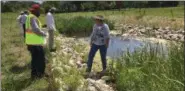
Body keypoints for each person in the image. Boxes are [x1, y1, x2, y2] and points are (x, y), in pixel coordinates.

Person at [25, 4, 47, 79]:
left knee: (34, 60)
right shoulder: (33, 17)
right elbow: (35, 30)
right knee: (40, 60)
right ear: (36, 11)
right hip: (35, 44)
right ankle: (40, 75)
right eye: (39, 11)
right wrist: (44, 34)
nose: (39, 13)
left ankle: (34, 75)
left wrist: (42, 27)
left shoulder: (29, 17)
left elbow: (32, 28)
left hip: (31, 43)